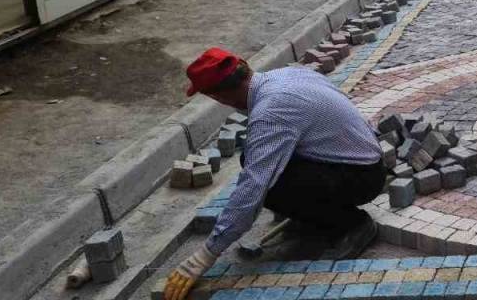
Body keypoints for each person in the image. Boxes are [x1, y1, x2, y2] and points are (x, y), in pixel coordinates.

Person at [163, 49, 385, 300]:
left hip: (362, 177)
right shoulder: (286, 74)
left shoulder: (270, 113)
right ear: (245, 66)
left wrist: (205, 255)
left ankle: (354, 224)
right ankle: (312, 217)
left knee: (269, 187)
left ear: (219, 96)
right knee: (253, 158)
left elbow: (251, 190)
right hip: (366, 157)